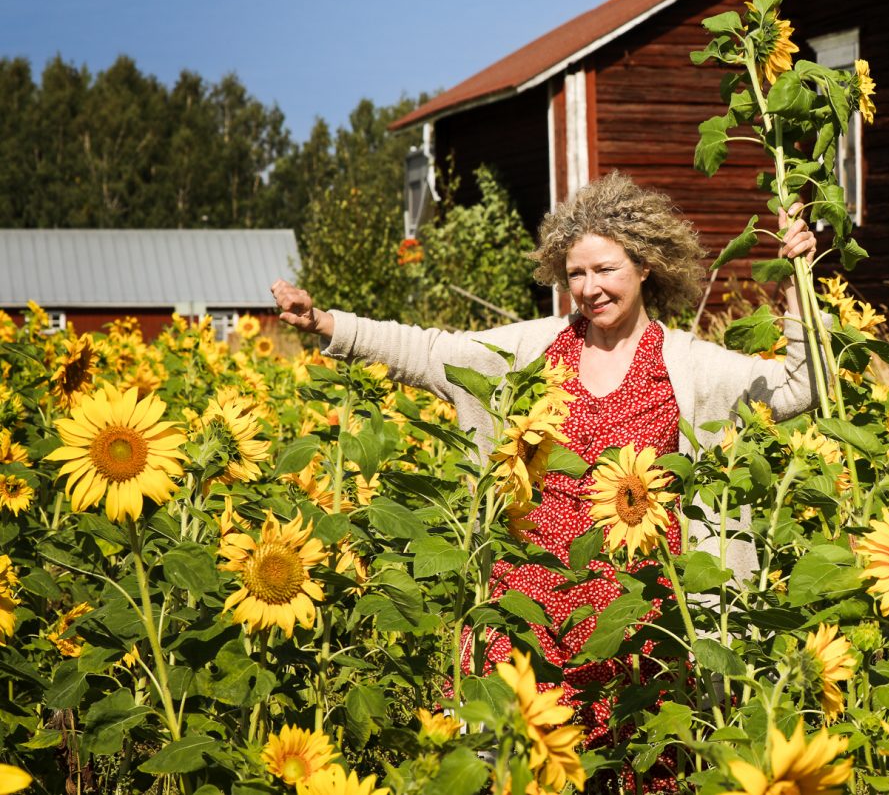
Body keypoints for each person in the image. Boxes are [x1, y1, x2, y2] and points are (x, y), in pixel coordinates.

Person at [270, 171, 819, 785]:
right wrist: (323, 322)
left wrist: (799, 286)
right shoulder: (534, 348)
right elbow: (427, 353)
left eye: (606, 270)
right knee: (515, 765)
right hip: (526, 604)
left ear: (646, 267)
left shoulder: (689, 365)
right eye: (576, 274)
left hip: (639, 618)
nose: (590, 288)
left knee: (636, 766)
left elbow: (800, 386)